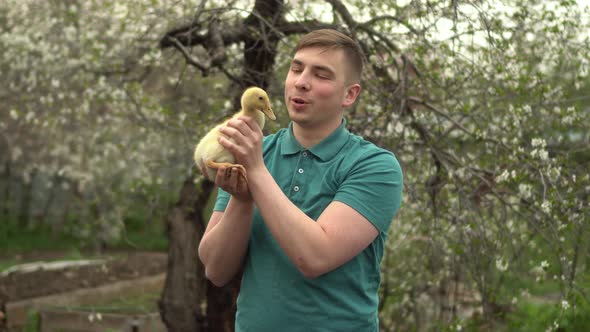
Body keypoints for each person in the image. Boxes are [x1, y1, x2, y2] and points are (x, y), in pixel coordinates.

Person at [198, 29, 403, 331]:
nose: (301, 82)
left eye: (321, 75)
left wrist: (256, 172)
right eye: (296, 68)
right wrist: (242, 201)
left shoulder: (374, 166)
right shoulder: (255, 151)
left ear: (350, 94)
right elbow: (215, 269)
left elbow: (315, 257)